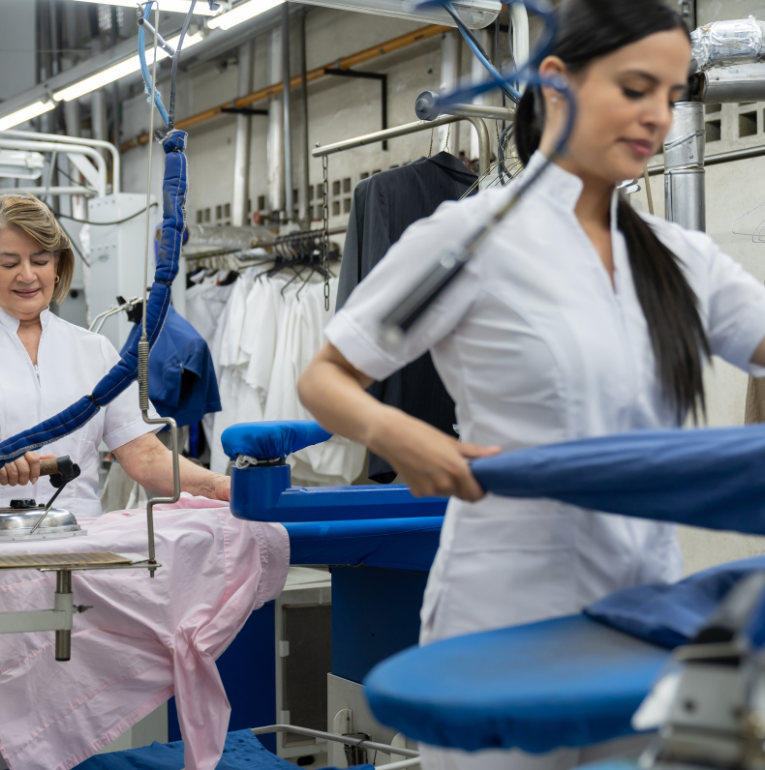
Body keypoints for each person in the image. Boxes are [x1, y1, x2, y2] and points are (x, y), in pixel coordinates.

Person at [298, 2, 765, 769]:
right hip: (507, 605)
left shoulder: (682, 259)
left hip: (642, 604)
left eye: (672, 97)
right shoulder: (466, 240)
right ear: (558, 84)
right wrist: (398, 434)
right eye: (636, 88)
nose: (656, 116)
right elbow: (327, 377)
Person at [0, 194, 230, 770]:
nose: (27, 275)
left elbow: (146, 458)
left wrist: (227, 487)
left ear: (59, 266)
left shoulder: (94, 349)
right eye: (9, 261)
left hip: (73, 554)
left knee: (74, 716)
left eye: (41, 259)